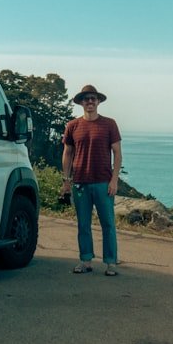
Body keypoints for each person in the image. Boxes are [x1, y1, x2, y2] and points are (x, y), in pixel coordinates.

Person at [61, 84, 122, 276]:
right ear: (80, 102)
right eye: (86, 98)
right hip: (80, 182)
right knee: (83, 224)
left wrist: (114, 180)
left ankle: (111, 263)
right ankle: (85, 261)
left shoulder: (109, 124)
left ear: (98, 101)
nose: (90, 101)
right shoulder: (72, 126)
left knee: (108, 224)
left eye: (93, 98)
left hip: (103, 182)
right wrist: (66, 180)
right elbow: (67, 153)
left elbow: (117, 153)